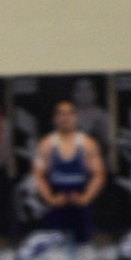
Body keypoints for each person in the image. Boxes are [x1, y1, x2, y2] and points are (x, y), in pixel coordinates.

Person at [32, 101, 105, 248]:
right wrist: (50, 198)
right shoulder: (46, 144)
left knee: (83, 247)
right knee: (54, 249)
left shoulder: (87, 144)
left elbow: (99, 174)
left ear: (75, 117)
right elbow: (38, 175)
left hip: (79, 203)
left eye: (69, 113)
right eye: (61, 114)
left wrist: (86, 197)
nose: (65, 118)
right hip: (56, 201)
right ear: (54, 118)